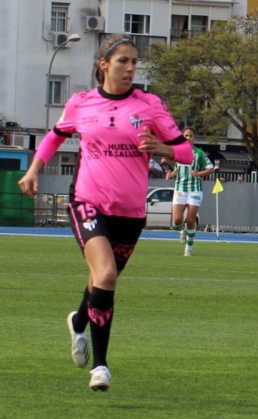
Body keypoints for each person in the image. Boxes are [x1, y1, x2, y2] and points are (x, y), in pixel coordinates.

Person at [17, 34, 194, 392]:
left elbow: (188, 153)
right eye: (122, 62)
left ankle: (78, 321)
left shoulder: (149, 105)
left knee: (101, 281)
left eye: (134, 63)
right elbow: (55, 136)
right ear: (103, 65)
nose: (130, 69)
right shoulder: (82, 102)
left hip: (130, 213)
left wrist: (161, 148)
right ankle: (100, 367)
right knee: (107, 274)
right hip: (87, 202)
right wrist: (34, 169)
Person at [165, 126, 215, 256]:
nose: (188, 138)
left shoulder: (199, 153)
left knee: (191, 220)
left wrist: (198, 173)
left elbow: (211, 168)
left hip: (195, 190)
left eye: (190, 136)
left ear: (194, 138)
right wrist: (171, 174)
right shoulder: (177, 152)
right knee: (177, 220)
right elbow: (177, 168)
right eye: (186, 135)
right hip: (180, 188)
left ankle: (189, 248)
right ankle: (182, 231)